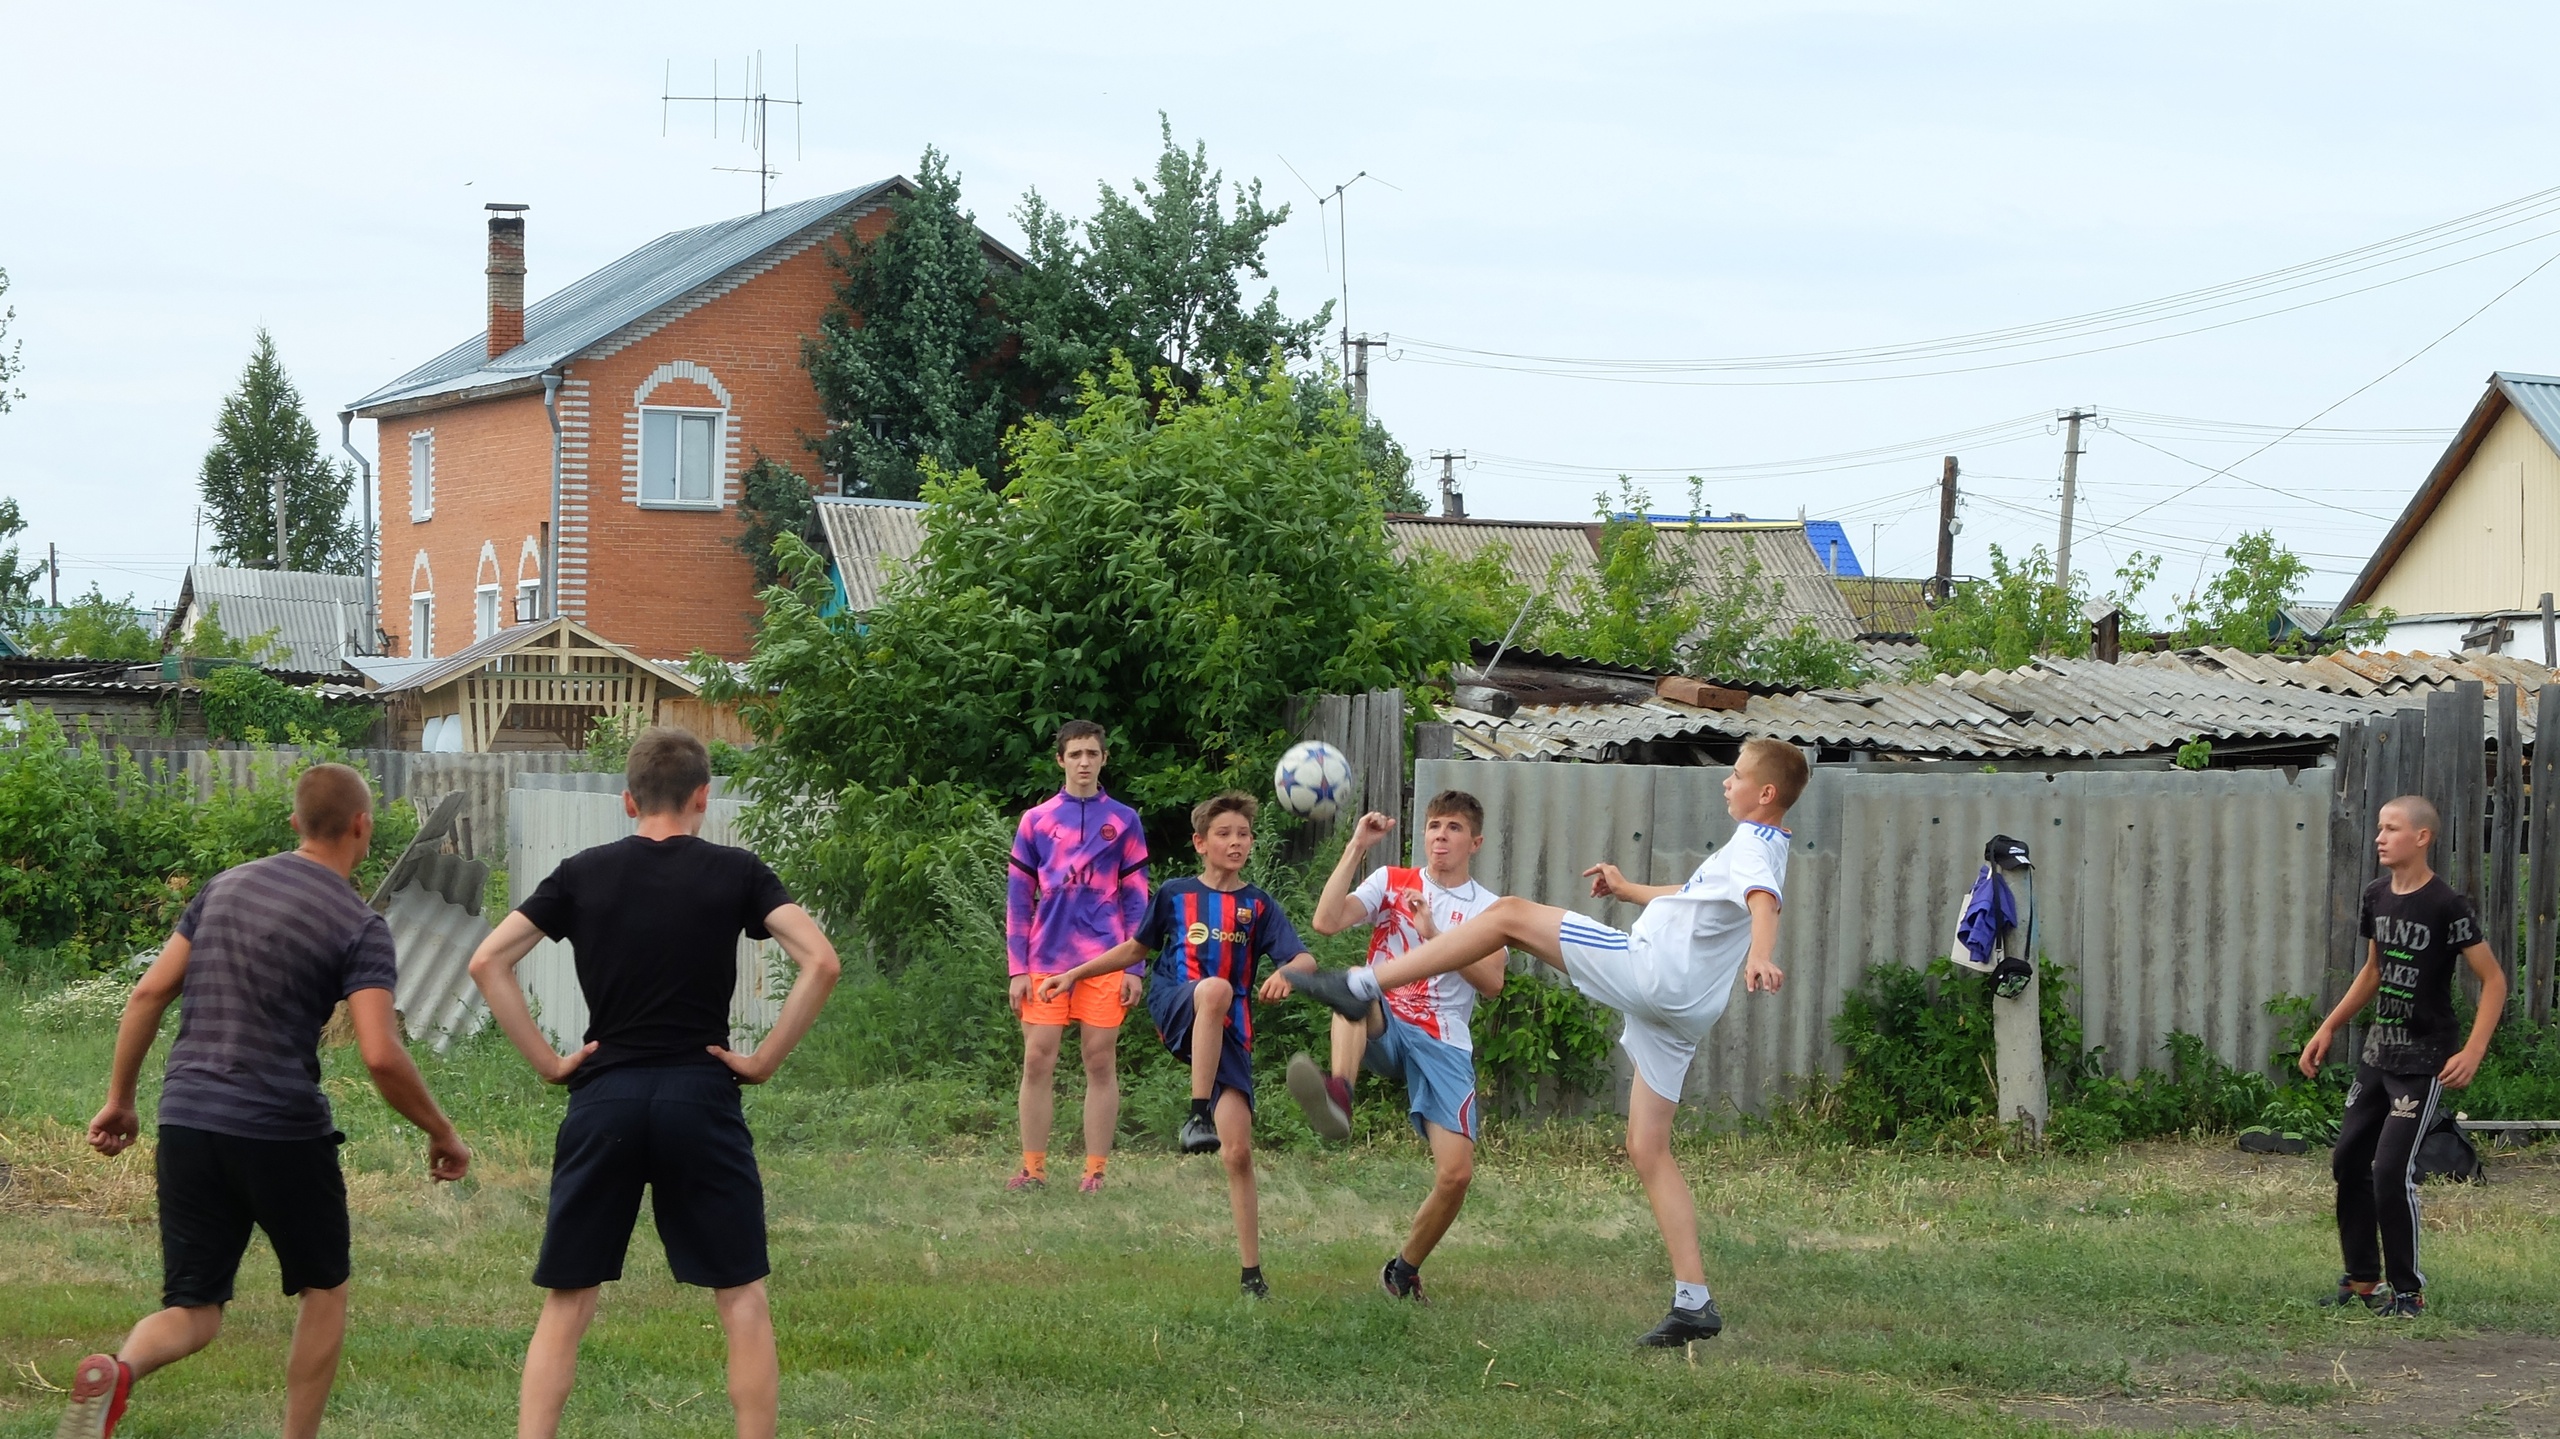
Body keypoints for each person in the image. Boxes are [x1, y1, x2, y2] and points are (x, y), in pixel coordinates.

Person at [1289, 737, 1808, 1346]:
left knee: (1509, 912)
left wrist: (1763, 955)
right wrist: (1628, 889)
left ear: (1765, 793)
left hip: (1655, 971)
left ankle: (1360, 983)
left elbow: (1760, 902)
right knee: (1648, 1147)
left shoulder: (1752, 843)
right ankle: (1693, 1302)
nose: (1727, 782)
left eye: (1738, 775)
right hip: (1687, 1009)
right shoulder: (1768, 847)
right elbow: (1699, 898)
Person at [54, 763, 471, 1439]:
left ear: (293, 824)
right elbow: (380, 1052)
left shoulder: (223, 888)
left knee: (194, 1308)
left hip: (187, 1118)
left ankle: (121, 1368)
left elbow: (148, 994)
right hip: (280, 1128)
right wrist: (442, 1131)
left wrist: (120, 1100)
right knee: (324, 1288)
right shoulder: (358, 924)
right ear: (362, 826)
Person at [467, 727, 840, 1439]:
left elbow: (488, 961)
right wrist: (762, 1060)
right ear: (704, 797)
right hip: (700, 1097)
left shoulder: (580, 873)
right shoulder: (738, 872)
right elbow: (821, 960)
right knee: (741, 1295)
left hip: (604, 1097)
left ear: (628, 800)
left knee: (568, 1298)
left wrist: (549, 1061)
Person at [1037, 791, 1314, 1298]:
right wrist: (1074, 973)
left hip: (1229, 1028)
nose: (1235, 842)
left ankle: (1252, 1276)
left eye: (1243, 834)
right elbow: (1134, 948)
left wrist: (1287, 974)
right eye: (1224, 834)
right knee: (1213, 989)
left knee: (1238, 1153)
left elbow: (1304, 958)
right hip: (1176, 1001)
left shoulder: (1258, 905)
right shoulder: (1175, 894)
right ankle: (1195, 1114)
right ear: (1200, 843)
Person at [1291, 792, 1507, 1302]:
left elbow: (1492, 983)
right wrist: (1356, 846)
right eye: (1434, 825)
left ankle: (1403, 1270)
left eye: (1454, 827)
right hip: (1384, 1018)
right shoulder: (1392, 881)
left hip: (1443, 1040)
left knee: (1456, 1175)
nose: (1440, 835)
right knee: (1351, 985)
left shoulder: (1490, 909)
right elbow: (1326, 921)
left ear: (1473, 842)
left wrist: (1433, 933)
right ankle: (1339, 1094)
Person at [2298, 793, 2506, 1319]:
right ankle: (2363, 1279)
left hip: (2423, 1059)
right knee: (2348, 1160)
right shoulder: (2376, 895)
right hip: (2378, 1054)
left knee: (2391, 1170)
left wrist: (2473, 1049)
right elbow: (2372, 971)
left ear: (2421, 838)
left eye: (2391, 829)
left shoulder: (2447, 906)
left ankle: (2408, 1291)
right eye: (2379, 829)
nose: (2380, 838)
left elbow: (2494, 979)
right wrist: (2329, 1027)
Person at [1004, 719, 1151, 1193]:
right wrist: (1017, 969)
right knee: (1037, 1060)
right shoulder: (1036, 820)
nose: (1084, 762)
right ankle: (1033, 1169)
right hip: (1045, 957)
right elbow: (1017, 899)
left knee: (1099, 1061)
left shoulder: (1125, 820)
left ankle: (1095, 1173)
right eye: (1076, 754)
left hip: (1106, 959)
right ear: (1060, 760)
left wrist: (1134, 966)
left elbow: (1137, 899)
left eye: (1092, 754)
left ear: (1104, 759)